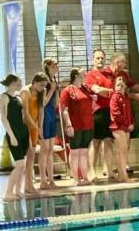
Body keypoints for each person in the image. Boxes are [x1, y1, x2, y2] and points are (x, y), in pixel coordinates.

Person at [59, 68, 94, 186]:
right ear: (75, 75)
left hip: (87, 124)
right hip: (75, 125)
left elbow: (90, 103)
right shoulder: (67, 90)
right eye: (83, 73)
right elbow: (64, 110)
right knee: (74, 152)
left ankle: (85, 177)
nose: (85, 75)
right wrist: (68, 125)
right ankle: (75, 178)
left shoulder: (86, 89)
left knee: (84, 152)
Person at [85, 49, 116, 180]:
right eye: (97, 58)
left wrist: (108, 91)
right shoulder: (91, 74)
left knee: (108, 141)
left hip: (110, 111)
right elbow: (96, 90)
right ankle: (91, 171)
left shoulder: (110, 75)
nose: (100, 60)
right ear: (93, 60)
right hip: (97, 112)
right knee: (95, 142)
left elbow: (118, 89)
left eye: (102, 58)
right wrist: (112, 91)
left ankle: (108, 170)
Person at [0, 74, 29, 200]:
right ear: (11, 83)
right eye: (18, 82)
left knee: (23, 164)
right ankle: (8, 193)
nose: (21, 84)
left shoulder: (18, 98)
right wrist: (12, 136)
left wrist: (27, 136)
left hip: (23, 132)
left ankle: (17, 191)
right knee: (19, 164)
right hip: (13, 133)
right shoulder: (4, 98)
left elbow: (22, 117)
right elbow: (3, 119)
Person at [20, 72, 48, 194]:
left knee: (31, 157)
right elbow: (25, 113)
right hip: (25, 125)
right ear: (34, 82)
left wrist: (40, 126)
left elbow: (41, 109)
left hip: (35, 125)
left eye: (44, 85)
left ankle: (29, 184)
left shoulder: (42, 91)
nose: (43, 88)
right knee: (30, 154)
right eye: (41, 85)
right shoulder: (25, 91)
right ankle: (27, 184)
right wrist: (36, 127)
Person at [109, 77, 134, 183]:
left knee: (123, 151)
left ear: (126, 87)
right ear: (114, 87)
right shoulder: (114, 97)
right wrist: (126, 124)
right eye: (118, 85)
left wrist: (131, 123)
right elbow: (115, 114)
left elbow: (129, 113)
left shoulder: (126, 97)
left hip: (126, 127)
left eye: (122, 85)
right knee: (122, 151)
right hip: (118, 126)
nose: (120, 87)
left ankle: (121, 176)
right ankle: (124, 176)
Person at [41, 59, 60, 189]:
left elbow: (56, 103)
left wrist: (56, 91)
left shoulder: (53, 82)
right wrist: (52, 90)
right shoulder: (44, 81)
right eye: (54, 65)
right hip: (44, 115)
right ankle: (43, 180)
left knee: (50, 150)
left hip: (52, 114)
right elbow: (43, 103)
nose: (56, 67)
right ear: (47, 67)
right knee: (45, 150)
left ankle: (51, 179)